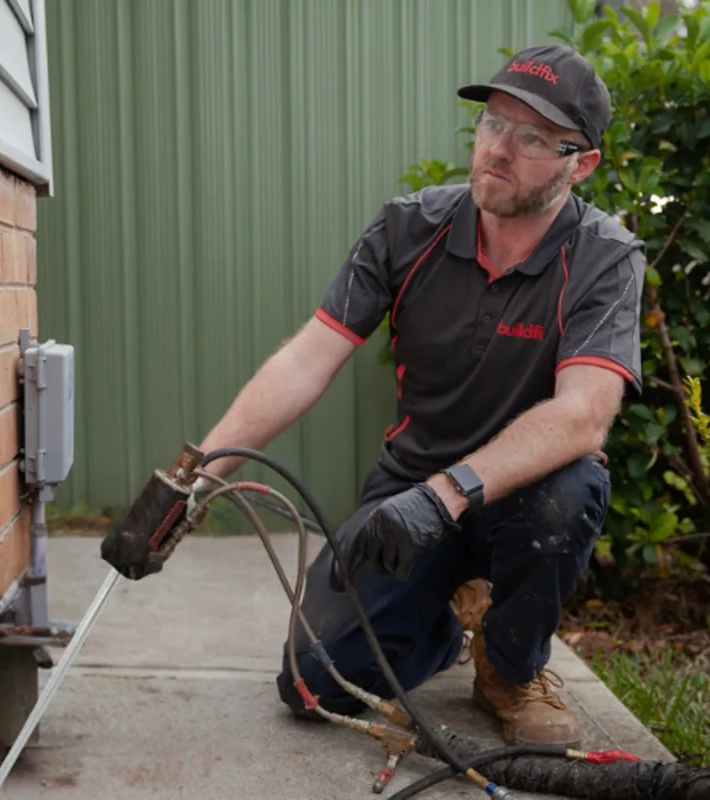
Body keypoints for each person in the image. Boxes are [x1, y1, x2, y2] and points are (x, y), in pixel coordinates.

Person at [202, 44, 646, 747]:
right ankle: (447, 622)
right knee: (311, 685)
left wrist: (450, 492)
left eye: (532, 137)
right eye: (494, 122)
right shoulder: (408, 228)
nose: (499, 149)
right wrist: (196, 475)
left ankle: (508, 666)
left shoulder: (604, 257)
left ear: (580, 162)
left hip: (519, 494)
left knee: (573, 490)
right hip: (407, 491)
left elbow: (584, 415)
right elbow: (309, 360)